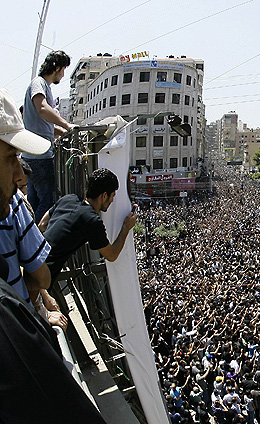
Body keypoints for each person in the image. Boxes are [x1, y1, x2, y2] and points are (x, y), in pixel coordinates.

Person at [0, 87, 106, 422]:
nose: (20, 175)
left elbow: (45, 220)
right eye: (9, 158)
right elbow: (41, 276)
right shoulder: (15, 206)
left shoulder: (62, 202)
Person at [39, 168, 137, 283]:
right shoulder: (92, 221)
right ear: (104, 195)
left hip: (33, 258)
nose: (112, 201)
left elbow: (42, 225)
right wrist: (126, 228)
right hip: (41, 275)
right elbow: (111, 255)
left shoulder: (68, 199)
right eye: (112, 196)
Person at [22, 50, 74, 222]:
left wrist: (62, 132)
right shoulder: (39, 83)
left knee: (35, 202)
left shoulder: (42, 85)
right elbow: (42, 108)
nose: (63, 74)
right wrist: (66, 124)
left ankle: (29, 233)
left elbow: (43, 125)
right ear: (57, 67)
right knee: (48, 202)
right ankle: (36, 235)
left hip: (32, 155)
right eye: (63, 69)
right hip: (40, 156)